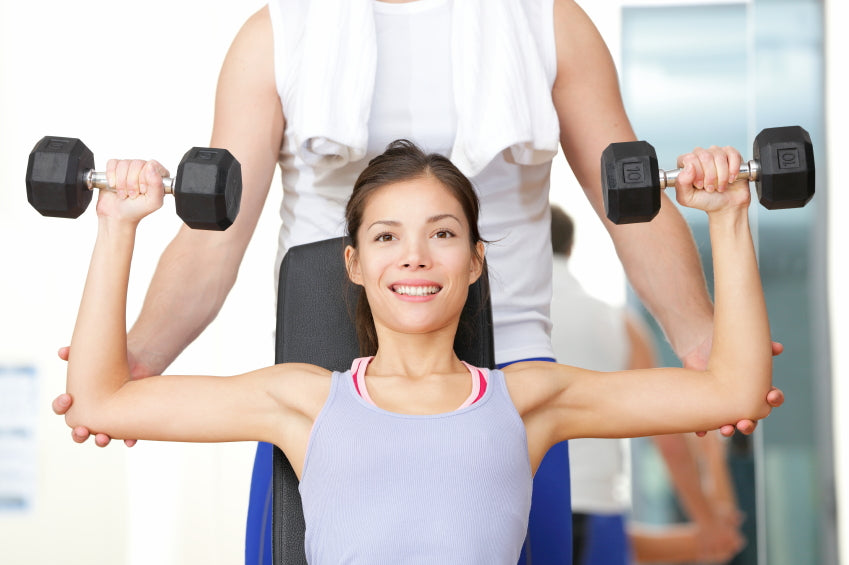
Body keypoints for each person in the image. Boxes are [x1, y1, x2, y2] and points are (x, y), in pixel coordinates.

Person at [52, 1, 784, 563]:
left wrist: (700, 338)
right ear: (358, 255)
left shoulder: (548, 23)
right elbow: (215, 235)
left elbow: (626, 201)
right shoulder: (280, 33)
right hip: (327, 354)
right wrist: (134, 361)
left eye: (440, 235)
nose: (415, 255)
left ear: (471, 253)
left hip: (511, 351)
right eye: (386, 238)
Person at [549, 206, 744, 564]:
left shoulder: (484, 321)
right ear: (571, 248)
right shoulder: (618, 325)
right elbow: (668, 439)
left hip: (516, 508)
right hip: (596, 509)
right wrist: (706, 518)